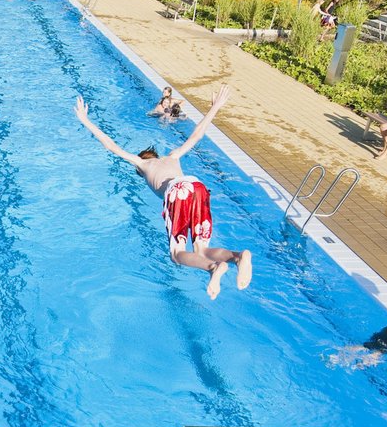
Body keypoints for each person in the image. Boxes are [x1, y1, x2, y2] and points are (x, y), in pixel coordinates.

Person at [73, 88, 254, 299]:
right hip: (197, 186)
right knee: (201, 249)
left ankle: (214, 269)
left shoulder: (140, 163)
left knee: (177, 254)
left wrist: (85, 120)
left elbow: (111, 146)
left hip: (177, 191)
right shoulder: (173, 156)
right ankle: (238, 257)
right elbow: (196, 135)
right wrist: (215, 107)